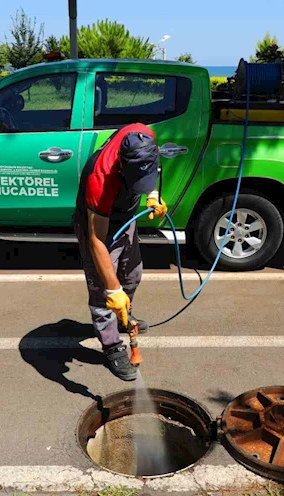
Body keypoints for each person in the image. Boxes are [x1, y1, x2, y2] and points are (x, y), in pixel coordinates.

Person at [73, 123, 167, 381]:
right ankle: (112, 345)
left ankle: (125, 314)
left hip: (125, 216)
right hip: (98, 222)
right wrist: (113, 291)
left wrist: (153, 194)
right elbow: (97, 240)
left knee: (133, 274)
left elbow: (152, 166)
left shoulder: (142, 134)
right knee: (104, 291)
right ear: (123, 167)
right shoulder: (100, 179)